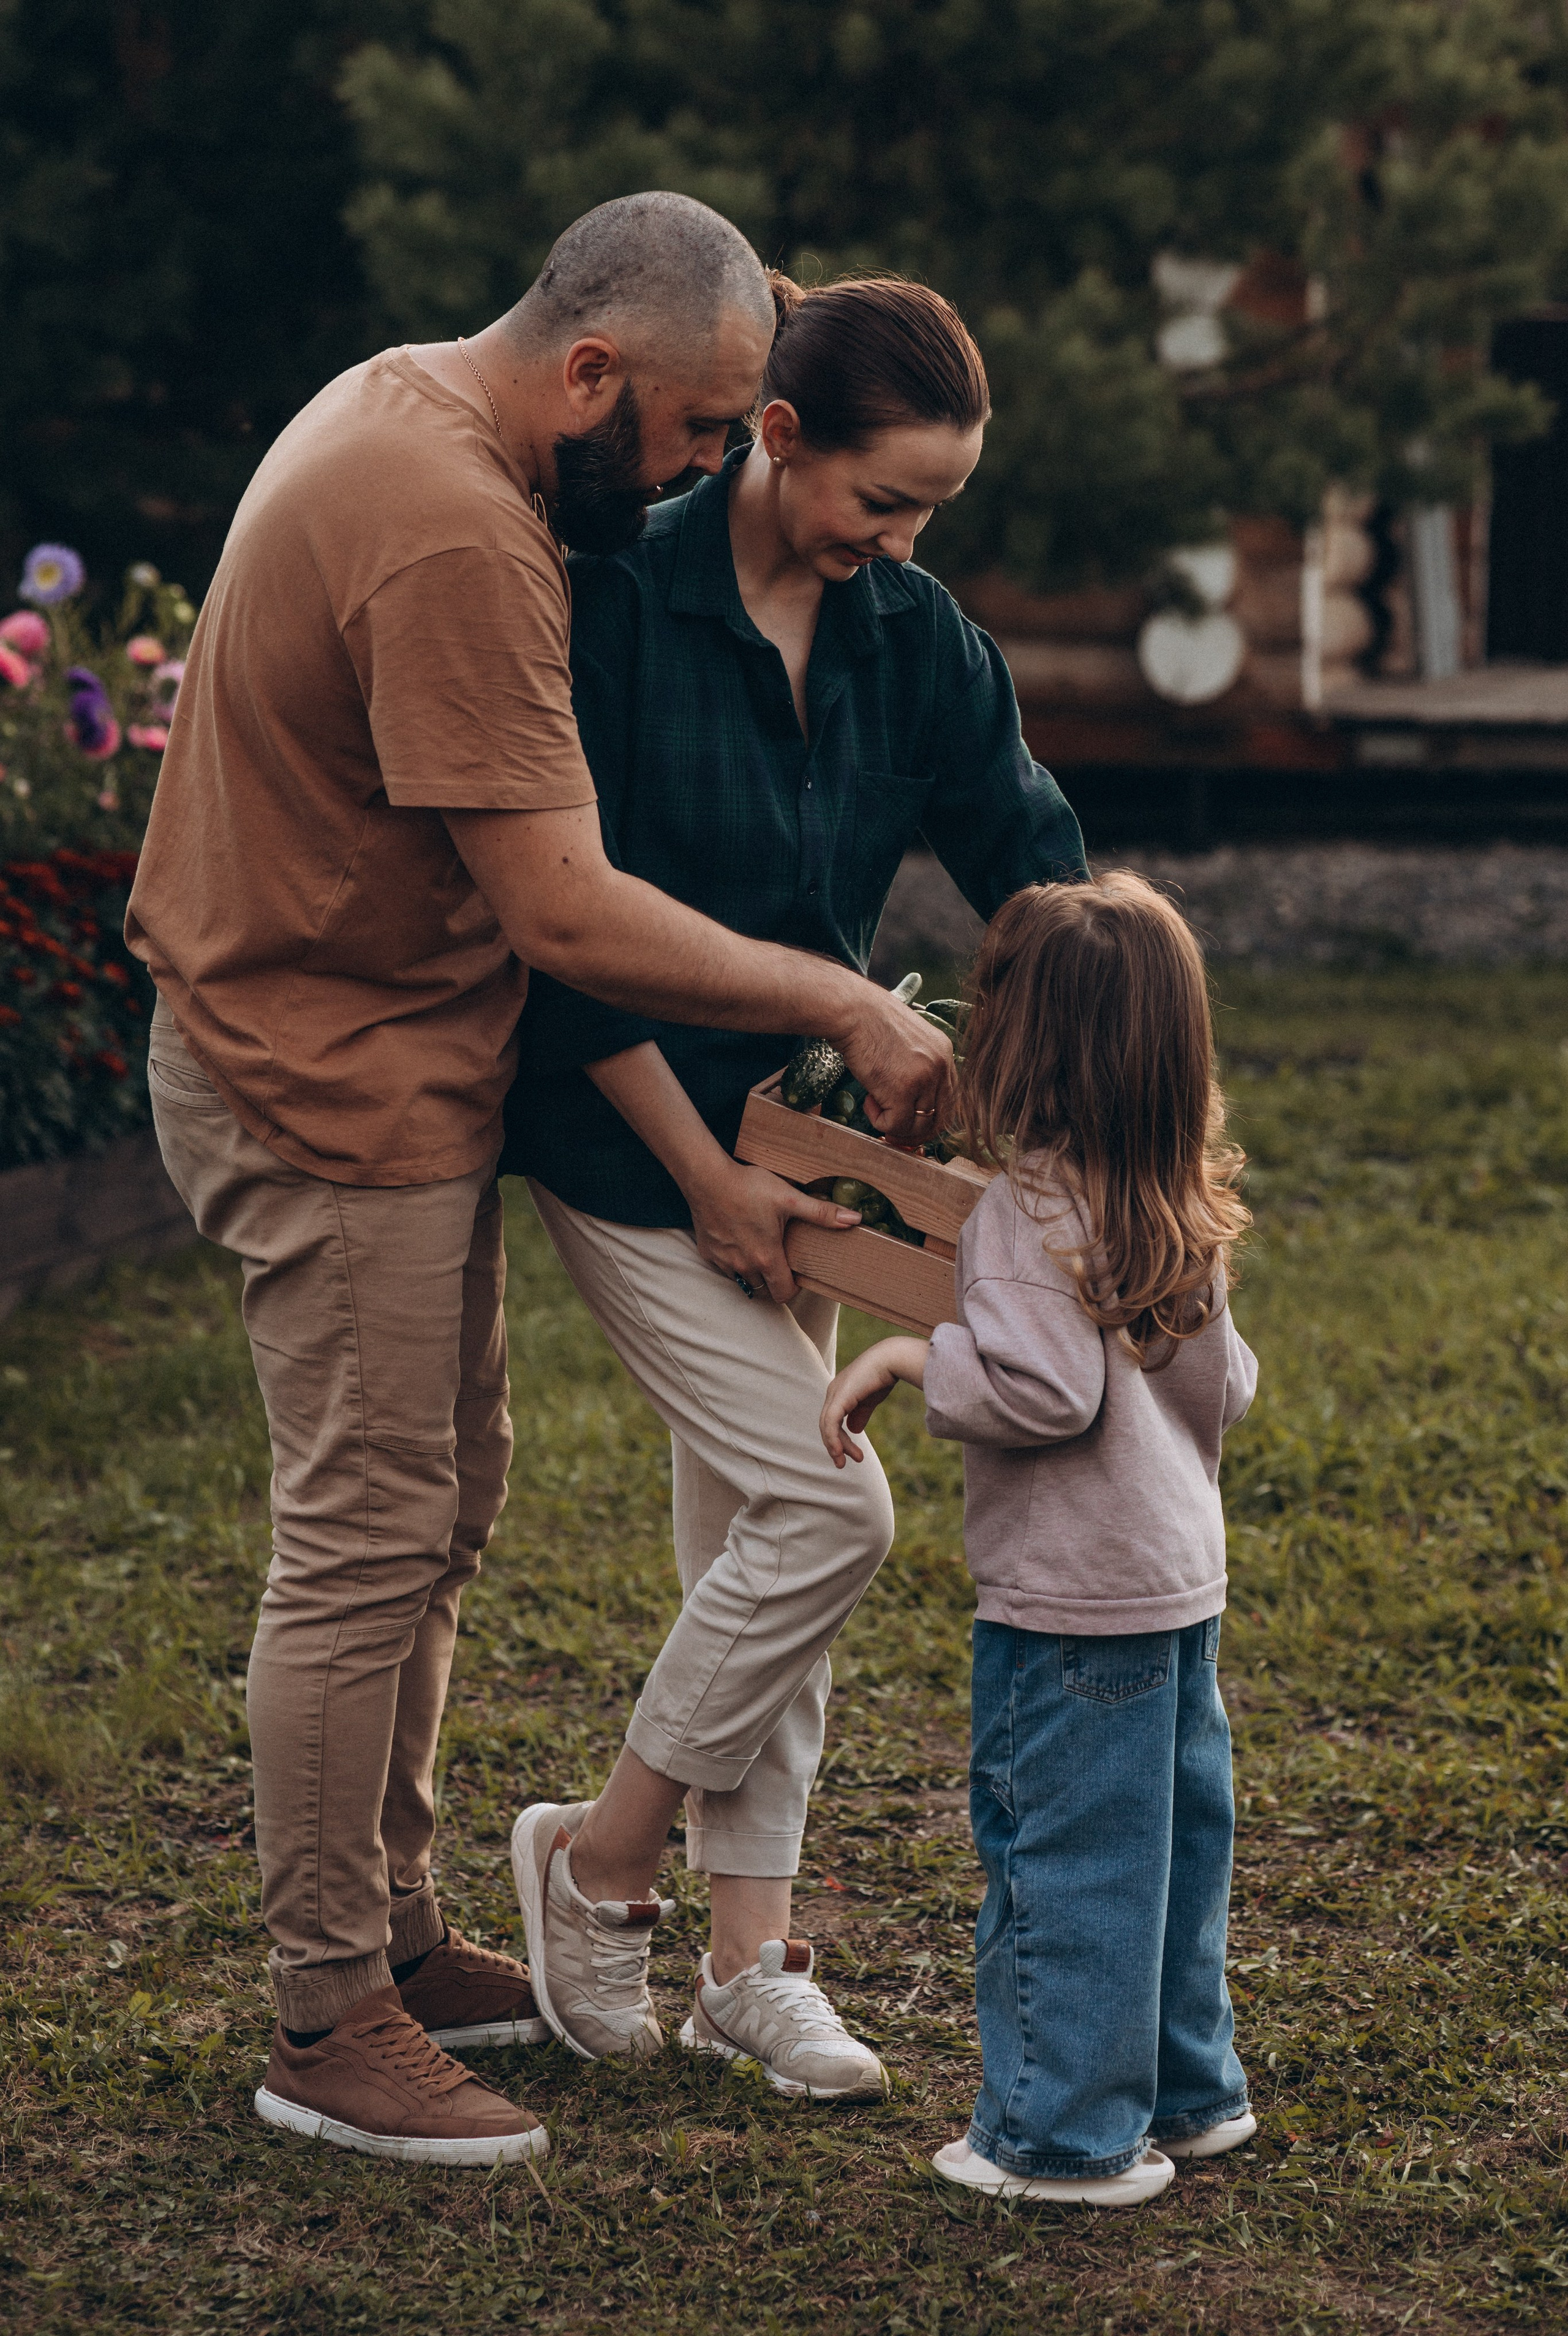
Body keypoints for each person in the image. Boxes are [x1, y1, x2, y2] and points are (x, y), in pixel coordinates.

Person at [126, 194, 951, 2169]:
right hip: (319, 1079)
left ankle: (402, 1931)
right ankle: (329, 2015)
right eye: (687, 430)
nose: (693, 471)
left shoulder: (407, 408)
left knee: (439, 1505)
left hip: (386, 1070)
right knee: (364, 1536)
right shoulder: (457, 530)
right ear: (592, 374)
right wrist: (846, 990)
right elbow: (564, 911)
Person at [503, 273, 1087, 2101]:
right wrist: (705, 1181)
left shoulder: (917, 640)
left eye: (929, 515)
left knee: (755, 1545)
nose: (899, 545)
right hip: (623, 1140)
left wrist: (1102, 1046)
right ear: (774, 438)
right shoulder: (606, 598)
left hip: (807, 1153)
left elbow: (1033, 867)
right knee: (829, 1519)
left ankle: (750, 1963)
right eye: (881, 502)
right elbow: (563, 946)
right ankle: (594, 1866)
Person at [820, 873, 1259, 2204]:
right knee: (1171, 1852)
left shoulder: (1022, 1213)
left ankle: (1059, 2137)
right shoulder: (1171, 1196)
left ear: (1017, 1041)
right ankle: (1189, 2094)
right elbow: (1223, 1387)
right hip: (1176, 1587)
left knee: (1060, 1861)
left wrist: (909, 1353)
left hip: (1068, 1610)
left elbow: (1042, 1393)